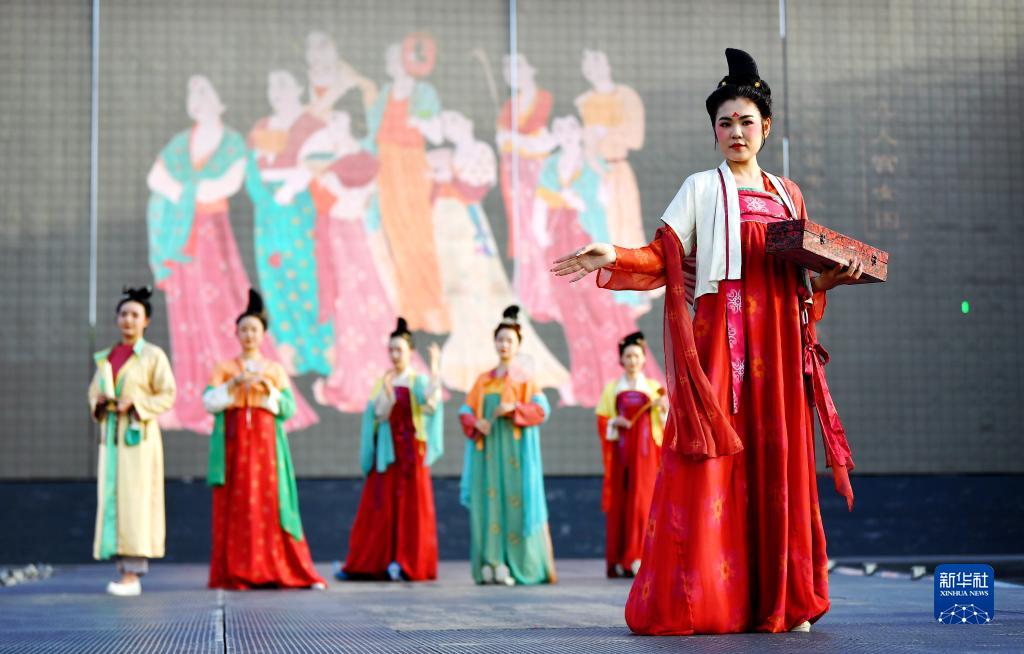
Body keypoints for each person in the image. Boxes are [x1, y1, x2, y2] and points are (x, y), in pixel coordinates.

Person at [552, 48, 864, 634]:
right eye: (725, 123)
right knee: (712, 463)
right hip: (724, 343)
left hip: (780, 344)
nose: (736, 132)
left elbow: (801, 284)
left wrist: (830, 281)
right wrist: (610, 253)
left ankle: (783, 599)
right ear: (714, 131)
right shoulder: (699, 188)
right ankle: (710, 599)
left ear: (766, 127)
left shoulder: (789, 195)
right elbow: (662, 257)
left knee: (780, 461)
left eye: (746, 121)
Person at [146, 75, 318, 433]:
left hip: (212, 236)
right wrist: (189, 192)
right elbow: (156, 178)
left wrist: (184, 190)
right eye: (192, 94)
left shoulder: (232, 143)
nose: (197, 99)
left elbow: (223, 184)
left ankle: (245, 395)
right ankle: (191, 398)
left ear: (220, 101)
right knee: (186, 312)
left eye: (204, 92)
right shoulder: (181, 143)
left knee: (223, 306)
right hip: (181, 240)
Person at [428, 109, 570, 394]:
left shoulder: (479, 151)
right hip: (446, 223)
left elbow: (478, 187)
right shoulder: (446, 155)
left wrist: (449, 178)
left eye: (454, 119)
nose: (450, 127)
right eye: (446, 123)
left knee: (483, 286)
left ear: (467, 121)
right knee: (458, 292)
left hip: (467, 226)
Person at [202, 289, 325, 590]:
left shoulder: (274, 370)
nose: (249, 335)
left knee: (270, 501)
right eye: (244, 329)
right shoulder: (224, 368)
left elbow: (288, 409)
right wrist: (234, 384)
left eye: (254, 330)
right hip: (234, 444)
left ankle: (276, 567)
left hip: (266, 446)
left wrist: (268, 389)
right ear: (236, 333)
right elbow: (209, 402)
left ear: (263, 334)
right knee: (237, 503)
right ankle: (238, 570)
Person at [338, 318, 443, 581]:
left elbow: (431, 404)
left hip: (411, 453)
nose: (395, 355)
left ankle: (411, 563)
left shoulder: (418, 381)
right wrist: (387, 393)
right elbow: (379, 414)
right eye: (391, 350)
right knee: (380, 507)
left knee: (412, 510)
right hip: (387, 453)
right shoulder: (382, 382)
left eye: (400, 350)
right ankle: (375, 562)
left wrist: (435, 368)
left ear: (410, 352)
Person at [458, 306, 557, 586]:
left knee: (515, 504)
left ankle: (518, 564)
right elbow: (465, 410)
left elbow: (542, 410)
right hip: (488, 453)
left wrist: (514, 408)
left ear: (518, 345)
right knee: (488, 505)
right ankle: (491, 561)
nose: (504, 345)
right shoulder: (484, 380)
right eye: (500, 339)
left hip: (515, 455)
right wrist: (477, 422)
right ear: (494, 342)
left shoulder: (524, 379)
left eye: (509, 340)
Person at [88, 286, 176, 596]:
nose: (128, 320)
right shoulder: (107, 357)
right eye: (124, 314)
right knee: (114, 500)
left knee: (136, 502)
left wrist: (136, 403)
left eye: (135, 315)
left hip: (137, 440)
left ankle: (132, 574)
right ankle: (122, 569)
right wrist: (100, 402)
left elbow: (168, 394)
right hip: (111, 441)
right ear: (117, 319)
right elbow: (93, 393)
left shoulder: (152, 356)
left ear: (146, 321)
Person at [594, 331, 667, 578]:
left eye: (636, 356)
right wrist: (614, 422)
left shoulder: (655, 389)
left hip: (647, 454)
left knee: (643, 502)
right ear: (621, 360)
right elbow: (602, 419)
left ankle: (641, 556)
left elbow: (666, 424)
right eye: (628, 356)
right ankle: (620, 557)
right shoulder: (612, 389)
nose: (632, 360)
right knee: (622, 503)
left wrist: (663, 410)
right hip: (622, 453)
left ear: (644, 359)